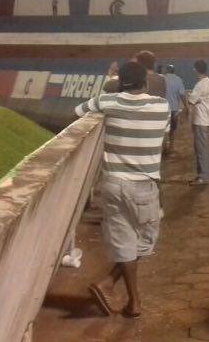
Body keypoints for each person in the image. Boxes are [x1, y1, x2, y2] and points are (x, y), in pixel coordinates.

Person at [77, 61, 170, 319]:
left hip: (113, 184)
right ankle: (112, 285)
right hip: (144, 186)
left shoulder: (107, 102)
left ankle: (130, 299)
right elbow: (164, 132)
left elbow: (79, 111)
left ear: (120, 83)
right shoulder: (161, 106)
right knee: (145, 241)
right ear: (146, 82)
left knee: (124, 242)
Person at [187, 60, 209, 186]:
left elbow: (191, 100)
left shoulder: (200, 84)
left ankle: (203, 176)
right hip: (205, 119)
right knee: (202, 149)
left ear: (196, 69)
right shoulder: (208, 81)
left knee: (201, 150)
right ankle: (202, 175)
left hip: (200, 120)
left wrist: (192, 99)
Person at [163, 64, 186, 154]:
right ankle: (171, 146)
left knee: (163, 128)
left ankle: (164, 146)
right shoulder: (178, 79)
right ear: (174, 71)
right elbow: (182, 94)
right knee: (173, 129)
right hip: (174, 108)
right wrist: (186, 105)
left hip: (164, 108)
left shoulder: (163, 78)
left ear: (167, 70)